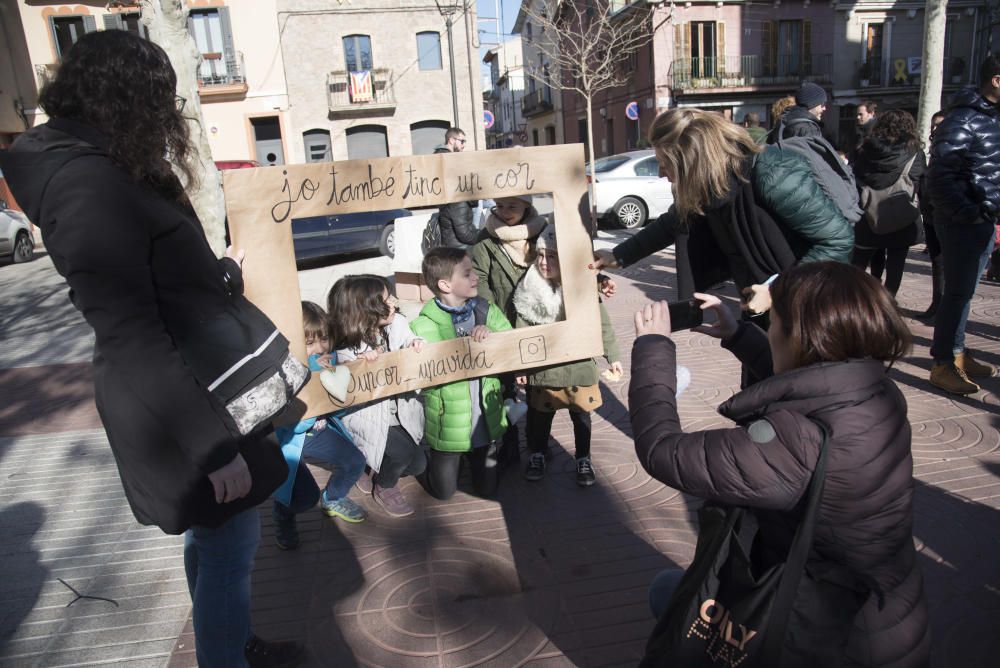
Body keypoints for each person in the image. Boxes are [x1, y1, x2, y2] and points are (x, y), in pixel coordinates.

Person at [0, 30, 303, 667]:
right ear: (126, 98)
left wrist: (217, 275)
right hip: (182, 407)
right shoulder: (87, 183)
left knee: (214, 543)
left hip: (192, 389)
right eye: (159, 99)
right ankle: (225, 656)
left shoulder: (110, 165)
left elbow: (158, 283)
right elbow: (130, 333)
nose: (168, 114)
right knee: (228, 552)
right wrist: (214, 450)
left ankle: (232, 641)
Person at [630, 262, 929, 667]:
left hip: (828, 638)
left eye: (774, 324)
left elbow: (662, 451)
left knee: (670, 597)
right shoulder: (873, 388)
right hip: (891, 612)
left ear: (802, 338)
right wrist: (739, 334)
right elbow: (815, 381)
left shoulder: (795, 443)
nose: (769, 330)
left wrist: (652, 349)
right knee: (669, 588)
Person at [591, 108, 853, 312]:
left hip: (807, 306)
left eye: (665, 164)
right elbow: (673, 222)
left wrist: (778, 290)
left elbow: (838, 239)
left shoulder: (772, 173)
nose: (661, 174)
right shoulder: (708, 185)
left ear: (692, 162)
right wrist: (618, 255)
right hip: (761, 306)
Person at [512, 225, 622, 486]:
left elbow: (601, 323)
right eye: (540, 255)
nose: (543, 262)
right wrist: (521, 367)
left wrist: (613, 355)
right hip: (544, 369)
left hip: (578, 365)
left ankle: (583, 458)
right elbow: (521, 333)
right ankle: (538, 453)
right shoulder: (529, 289)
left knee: (581, 416)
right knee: (539, 418)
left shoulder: (582, 288)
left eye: (552, 256)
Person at [924, 54, 1000, 394]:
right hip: (964, 223)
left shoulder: (991, 117)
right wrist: (971, 212)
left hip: (983, 220)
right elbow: (938, 178)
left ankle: (956, 352)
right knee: (956, 294)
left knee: (964, 293)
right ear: (996, 80)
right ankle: (943, 363)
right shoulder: (962, 120)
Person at [411, 247, 511, 500]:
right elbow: (417, 368)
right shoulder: (423, 325)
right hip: (448, 424)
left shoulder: (486, 311)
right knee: (443, 493)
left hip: (483, 421)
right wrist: (414, 348)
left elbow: (512, 342)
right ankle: (420, 461)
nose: (476, 277)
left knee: (488, 489)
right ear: (445, 284)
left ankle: (477, 455)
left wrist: (492, 334)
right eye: (467, 274)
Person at [271, 302, 368, 550]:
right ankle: (283, 515)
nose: (320, 348)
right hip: (290, 438)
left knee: (355, 461)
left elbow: (340, 408)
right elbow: (295, 424)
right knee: (295, 493)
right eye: (309, 342)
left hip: (318, 433)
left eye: (324, 338)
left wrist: (335, 380)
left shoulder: (332, 361)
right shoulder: (284, 370)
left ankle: (333, 498)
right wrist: (313, 379)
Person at [328, 275, 427, 517]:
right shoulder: (345, 346)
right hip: (367, 416)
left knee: (418, 464)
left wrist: (416, 343)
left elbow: (409, 339)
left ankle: (369, 463)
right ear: (365, 311)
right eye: (385, 300)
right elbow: (340, 385)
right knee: (402, 453)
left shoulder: (397, 323)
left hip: (398, 411)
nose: (392, 303)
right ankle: (384, 486)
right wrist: (359, 364)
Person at [470, 194, 548, 461]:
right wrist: (493, 321)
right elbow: (480, 282)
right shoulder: (485, 239)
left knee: (540, 386)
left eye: (512, 206)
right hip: (502, 324)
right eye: (499, 206)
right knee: (505, 389)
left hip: (540, 323)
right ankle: (511, 447)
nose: (504, 212)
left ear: (527, 205)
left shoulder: (544, 233)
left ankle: (539, 445)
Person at [851, 109, 926, 297]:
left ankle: (854, 303)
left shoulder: (864, 150)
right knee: (896, 265)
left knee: (858, 265)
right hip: (900, 219)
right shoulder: (915, 154)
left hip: (867, 216)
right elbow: (918, 181)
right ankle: (888, 303)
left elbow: (855, 175)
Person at [918, 110, 948, 320]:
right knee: (937, 262)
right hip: (930, 213)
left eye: (940, 125)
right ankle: (937, 302)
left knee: (946, 263)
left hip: (946, 214)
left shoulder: (953, 150)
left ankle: (944, 306)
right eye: (933, 125)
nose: (935, 129)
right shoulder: (934, 150)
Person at [433, 127, 480, 248]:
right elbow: (464, 233)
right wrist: (485, 236)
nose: (464, 145)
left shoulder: (438, 159)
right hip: (459, 248)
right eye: (462, 141)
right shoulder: (457, 190)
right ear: (451, 140)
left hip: (452, 244)